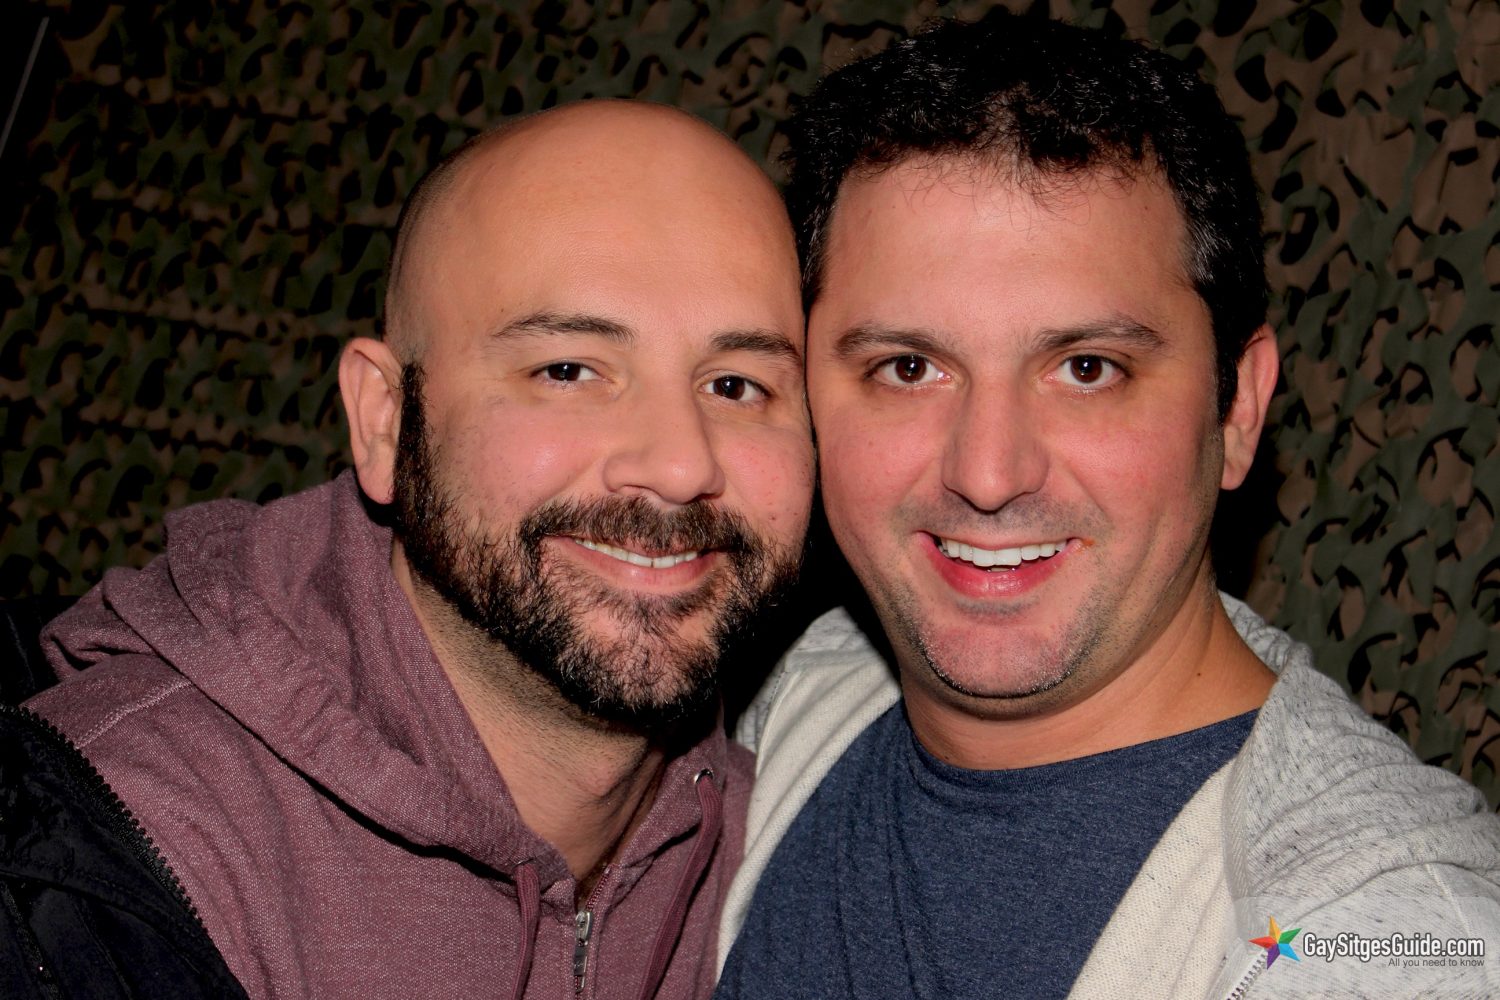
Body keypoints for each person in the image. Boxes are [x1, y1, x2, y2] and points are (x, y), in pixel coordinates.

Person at [715, 13, 1500, 1000]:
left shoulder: (1383, 941)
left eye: (1088, 368)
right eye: (909, 367)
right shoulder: (783, 702)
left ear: (1238, 409)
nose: (988, 473)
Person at [21, 100, 814, 1000]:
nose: (679, 464)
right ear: (385, 422)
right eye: (567, 370)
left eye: (737, 385)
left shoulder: (791, 834)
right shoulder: (101, 873)